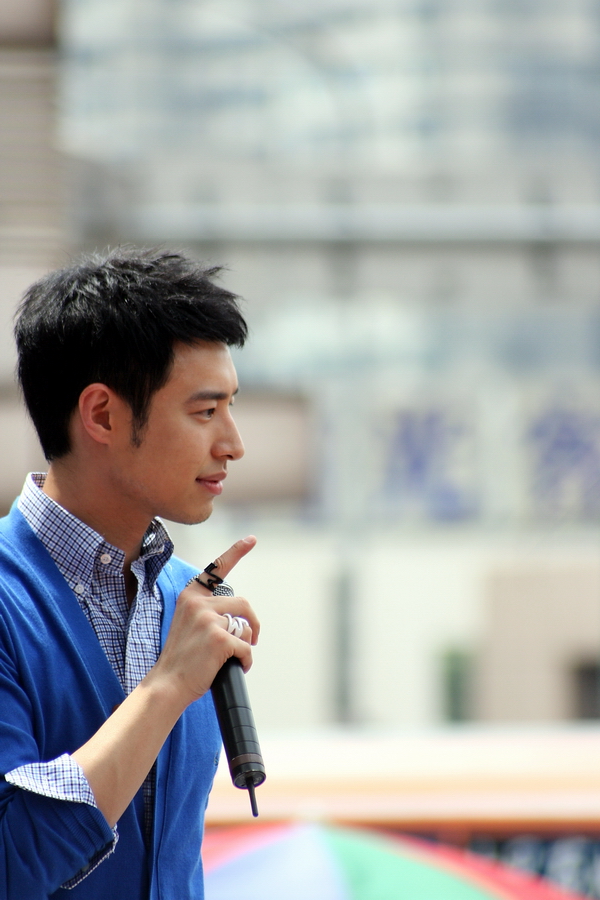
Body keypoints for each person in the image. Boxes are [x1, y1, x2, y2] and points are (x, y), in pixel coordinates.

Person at [0, 248, 260, 899]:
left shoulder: (188, 604)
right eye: (205, 412)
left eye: (231, 407)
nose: (233, 444)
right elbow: (9, 860)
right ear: (102, 416)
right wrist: (167, 685)